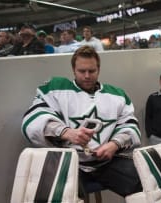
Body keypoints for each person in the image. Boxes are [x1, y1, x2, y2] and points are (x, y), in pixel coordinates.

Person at [22, 45, 142, 197]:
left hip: (106, 163)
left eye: (92, 71)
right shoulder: (55, 88)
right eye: (81, 71)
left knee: (148, 181)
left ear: (99, 70)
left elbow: (130, 125)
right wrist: (66, 132)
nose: (87, 76)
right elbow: (34, 119)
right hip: (69, 161)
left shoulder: (118, 95)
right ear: (73, 70)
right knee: (57, 196)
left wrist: (114, 144)